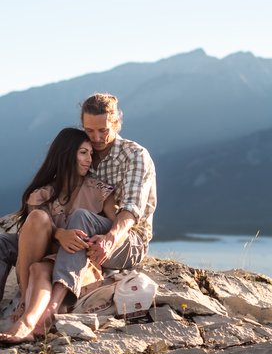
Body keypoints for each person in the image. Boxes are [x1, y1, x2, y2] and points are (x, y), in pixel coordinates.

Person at [0, 93, 156, 333]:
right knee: (4, 244)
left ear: (116, 123)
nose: (96, 138)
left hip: (125, 238)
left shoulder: (134, 156)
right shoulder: (82, 152)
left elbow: (130, 213)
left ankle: (52, 307)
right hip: (75, 233)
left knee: (80, 217)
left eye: (103, 130)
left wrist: (109, 240)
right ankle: (22, 299)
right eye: (89, 131)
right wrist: (58, 233)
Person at [0, 127, 116, 342]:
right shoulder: (43, 193)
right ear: (66, 154)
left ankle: (26, 320)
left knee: (40, 268)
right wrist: (59, 234)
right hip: (43, 256)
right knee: (32, 231)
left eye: (91, 154)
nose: (89, 159)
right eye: (83, 152)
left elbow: (115, 226)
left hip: (77, 263)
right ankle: (26, 307)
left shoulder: (100, 191)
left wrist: (104, 240)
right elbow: (31, 234)